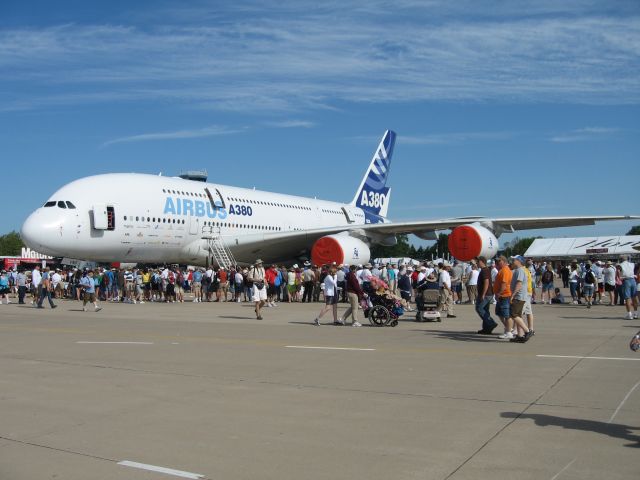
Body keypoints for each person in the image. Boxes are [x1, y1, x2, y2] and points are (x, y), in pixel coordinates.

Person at [508, 256, 532, 343]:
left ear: (519, 261)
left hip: (519, 296)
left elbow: (519, 284)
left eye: (514, 260)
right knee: (518, 315)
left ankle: (527, 331)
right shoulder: (519, 270)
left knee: (513, 314)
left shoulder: (520, 271)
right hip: (520, 296)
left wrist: (512, 295)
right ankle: (520, 335)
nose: (512, 261)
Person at [475, 256, 498, 334]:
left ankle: (491, 323)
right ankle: (486, 329)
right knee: (485, 310)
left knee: (479, 308)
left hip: (486, 294)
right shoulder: (485, 270)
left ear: (481, 262)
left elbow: (486, 282)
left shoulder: (485, 270)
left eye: (477, 262)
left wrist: (483, 294)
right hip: (488, 294)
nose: (476, 263)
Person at [493, 256, 513, 339]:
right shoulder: (501, 270)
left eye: (499, 261)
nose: (497, 263)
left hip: (505, 295)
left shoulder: (505, 270)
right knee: (499, 313)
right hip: (501, 296)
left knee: (506, 315)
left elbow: (504, 284)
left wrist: (499, 293)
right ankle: (508, 328)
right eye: (497, 262)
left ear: (504, 261)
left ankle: (509, 332)